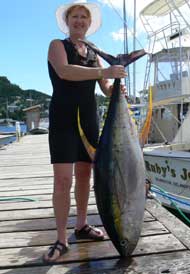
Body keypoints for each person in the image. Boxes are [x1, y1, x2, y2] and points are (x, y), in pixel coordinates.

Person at [43, 0, 127, 262]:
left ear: (89, 24)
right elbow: (65, 72)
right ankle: (61, 238)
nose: (79, 21)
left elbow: (104, 87)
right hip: (63, 121)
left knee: (83, 176)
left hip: (89, 120)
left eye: (84, 17)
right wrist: (105, 70)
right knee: (62, 180)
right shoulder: (58, 46)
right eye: (74, 17)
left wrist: (116, 88)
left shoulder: (95, 53)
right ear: (67, 22)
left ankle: (81, 225)